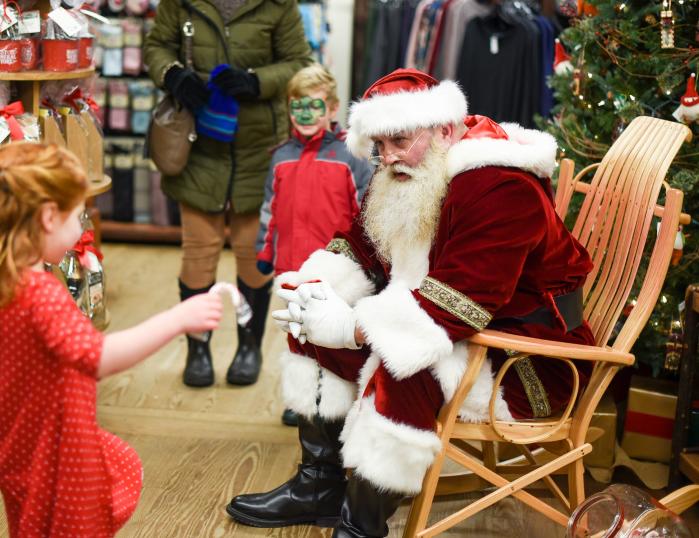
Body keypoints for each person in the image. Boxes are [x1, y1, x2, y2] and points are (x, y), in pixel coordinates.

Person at [226, 68, 595, 537]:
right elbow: (359, 246)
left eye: (399, 140)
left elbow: (460, 303)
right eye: (378, 147)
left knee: (404, 364)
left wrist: (349, 327)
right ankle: (318, 486)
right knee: (308, 322)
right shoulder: (412, 171)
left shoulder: (501, 186)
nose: (389, 157)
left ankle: (362, 524)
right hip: (463, 331)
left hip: (525, 360)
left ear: (443, 128)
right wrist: (312, 290)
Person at [0, 143, 223, 537]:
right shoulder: (41, 294)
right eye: (78, 214)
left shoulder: (11, 283)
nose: (82, 227)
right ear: (49, 217)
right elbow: (98, 357)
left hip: (23, 444)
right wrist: (177, 319)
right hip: (57, 452)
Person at [143, 0, 312, 388]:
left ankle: (248, 348)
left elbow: (299, 63)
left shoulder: (278, 6)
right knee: (198, 253)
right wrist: (173, 76)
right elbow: (156, 48)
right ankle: (197, 349)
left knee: (253, 258)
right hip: (198, 143)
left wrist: (256, 81)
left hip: (259, 149)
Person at [255, 64, 373, 426]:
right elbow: (269, 209)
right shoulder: (280, 157)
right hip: (290, 265)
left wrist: (366, 260)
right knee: (297, 334)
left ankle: (336, 403)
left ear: (332, 109)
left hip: (336, 268)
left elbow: (366, 209)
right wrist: (264, 250)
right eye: (298, 107)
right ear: (289, 108)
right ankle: (302, 401)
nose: (306, 115)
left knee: (332, 334)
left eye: (314, 106)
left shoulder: (350, 157)